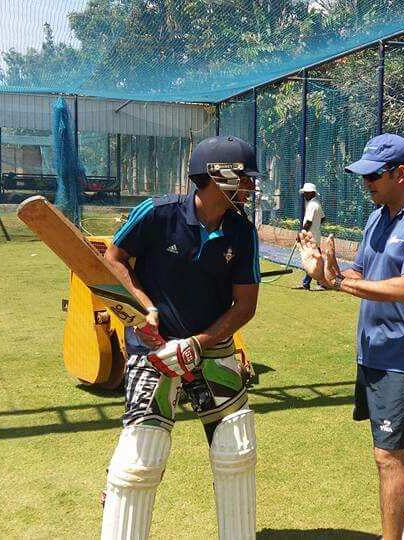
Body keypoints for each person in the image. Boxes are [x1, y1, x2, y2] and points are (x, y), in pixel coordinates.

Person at [101, 135, 262, 540]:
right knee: (140, 458)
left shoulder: (242, 232)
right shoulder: (158, 213)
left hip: (210, 350)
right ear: (216, 176)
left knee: (236, 447)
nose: (251, 188)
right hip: (154, 349)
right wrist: (144, 308)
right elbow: (113, 259)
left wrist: (197, 344)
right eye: (245, 179)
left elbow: (244, 306)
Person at [299, 133, 404, 540]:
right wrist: (325, 270)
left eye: (373, 176)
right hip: (373, 350)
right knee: (395, 447)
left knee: (386, 454)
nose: (366, 184)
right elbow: (361, 273)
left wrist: (337, 284)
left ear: (400, 174)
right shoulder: (378, 215)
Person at [295, 182, 324, 290]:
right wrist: (316, 227)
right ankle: (310, 283)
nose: (304, 195)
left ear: (312, 193)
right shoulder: (317, 204)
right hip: (315, 235)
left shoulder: (312, 205)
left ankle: (320, 282)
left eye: (306, 193)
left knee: (314, 260)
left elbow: (308, 222)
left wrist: (302, 233)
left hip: (311, 237)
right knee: (315, 259)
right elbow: (323, 218)